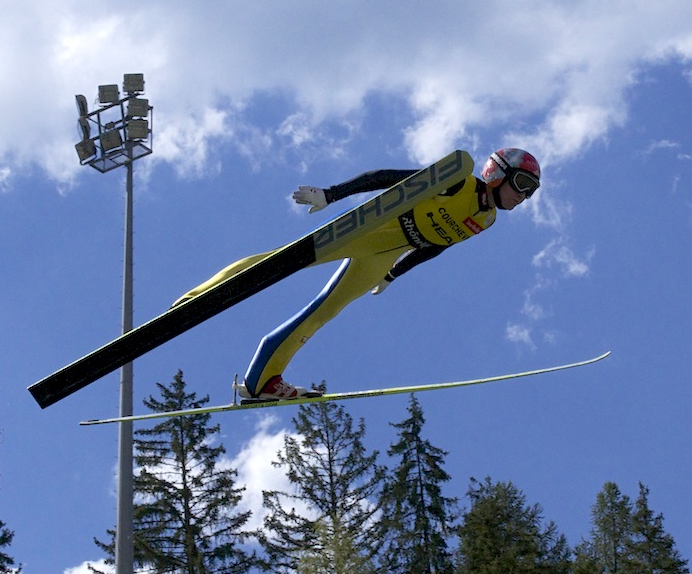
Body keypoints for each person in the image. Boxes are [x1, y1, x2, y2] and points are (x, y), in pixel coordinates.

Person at [177, 147, 542, 400]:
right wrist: (332, 194)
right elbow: (386, 178)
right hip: (369, 230)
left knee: (324, 311)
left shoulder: (486, 220)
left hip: (385, 255)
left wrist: (393, 275)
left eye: (531, 192)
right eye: (522, 185)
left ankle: (262, 381)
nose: (523, 197)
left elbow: (437, 245)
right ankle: (195, 298)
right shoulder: (458, 183)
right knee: (277, 261)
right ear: (497, 173)